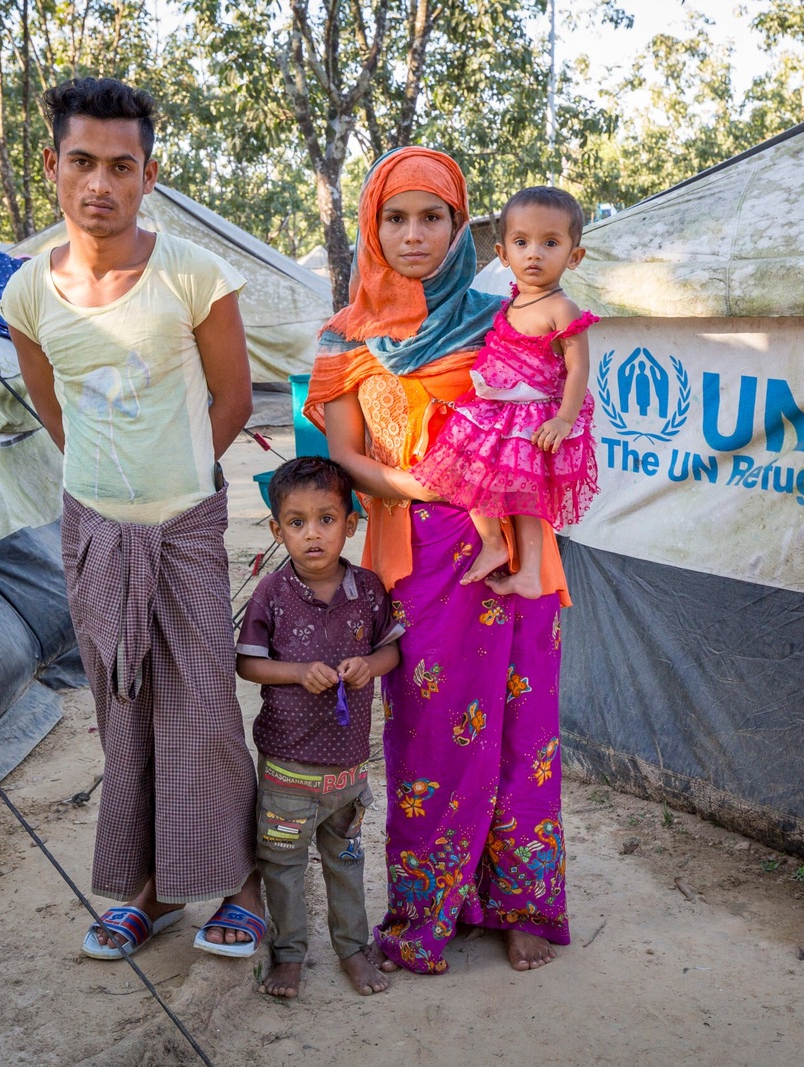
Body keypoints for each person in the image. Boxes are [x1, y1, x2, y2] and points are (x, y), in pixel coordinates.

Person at [0, 77, 265, 961]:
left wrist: (177, 478)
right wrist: (111, 494)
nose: (99, 184)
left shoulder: (192, 273)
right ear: (53, 166)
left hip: (185, 525)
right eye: (82, 162)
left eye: (121, 165)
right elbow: (58, 414)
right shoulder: (27, 297)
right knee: (125, 712)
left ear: (150, 174)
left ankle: (241, 882)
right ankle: (149, 891)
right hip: (94, 530)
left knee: (205, 708)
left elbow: (232, 396)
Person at [303, 147, 572, 975]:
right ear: (371, 226)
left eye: (432, 217)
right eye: (396, 217)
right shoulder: (343, 336)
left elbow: (549, 409)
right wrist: (420, 482)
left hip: (516, 549)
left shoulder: (502, 318)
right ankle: (430, 906)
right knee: (429, 737)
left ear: (461, 228)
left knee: (526, 729)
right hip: (419, 552)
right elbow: (344, 453)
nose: (413, 234)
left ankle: (524, 902)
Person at [234, 457, 403, 997]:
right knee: (281, 866)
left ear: (351, 524)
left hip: (348, 776)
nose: (313, 534)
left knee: (346, 863)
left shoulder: (369, 591)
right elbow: (248, 663)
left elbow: (392, 652)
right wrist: (298, 672)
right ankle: (288, 956)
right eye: (297, 522)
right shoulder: (272, 594)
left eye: (327, 519)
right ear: (276, 529)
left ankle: (353, 951)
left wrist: (368, 666)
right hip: (287, 772)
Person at [413, 187, 600, 599]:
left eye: (550, 243)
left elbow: (579, 368)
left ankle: (530, 571)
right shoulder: (510, 301)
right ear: (502, 253)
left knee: (527, 502)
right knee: (475, 480)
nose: (534, 253)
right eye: (521, 242)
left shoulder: (562, 309)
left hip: (532, 421)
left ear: (574, 256)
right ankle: (495, 545)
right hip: (493, 414)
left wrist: (565, 419)